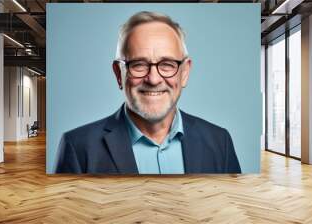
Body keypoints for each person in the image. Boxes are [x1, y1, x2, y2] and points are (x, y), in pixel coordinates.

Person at [55, 11, 241, 174]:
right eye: (138, 65)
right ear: (119, 74)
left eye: (167, 64)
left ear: (185, 73)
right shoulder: (77, 147)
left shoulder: (220, 141)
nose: (153, 79)